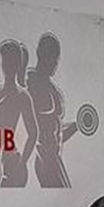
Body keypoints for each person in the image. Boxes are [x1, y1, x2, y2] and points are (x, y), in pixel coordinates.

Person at [26, 34, 76, 190]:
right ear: (39, 54)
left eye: (56, 58)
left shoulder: (48, 86)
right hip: (46, 158)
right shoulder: (34, 85)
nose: (54, 63)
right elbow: (43, 130)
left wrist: (76, 126)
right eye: (50, 57)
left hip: (52, 156)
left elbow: (55, 131)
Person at [0, 39, 33, 187]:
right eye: (4, 61)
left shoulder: (22, 96)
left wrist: (22, 162)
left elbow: (33, 133)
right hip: (4, 162)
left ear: (17, 66)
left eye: (11, 62)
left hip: (13, 164)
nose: (6, 66)